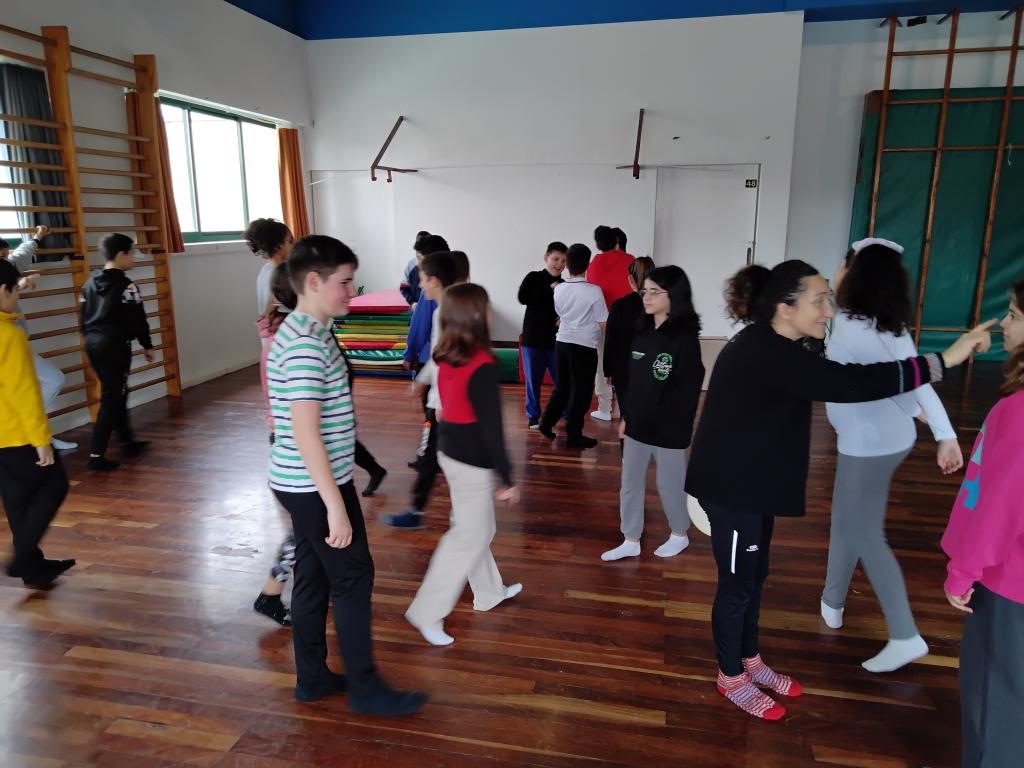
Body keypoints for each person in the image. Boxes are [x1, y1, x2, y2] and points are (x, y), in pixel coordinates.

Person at [685, 259, 993, 721]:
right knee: (737, 586)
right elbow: (849, 383)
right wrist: (942, 361)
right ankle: (730, 676)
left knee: (753, 577)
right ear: (786, 307)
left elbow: (850, 376)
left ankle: (749, 659)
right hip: (731, 489)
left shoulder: (780, 344)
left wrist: (922, 409)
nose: (829, 310)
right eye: (820, 300)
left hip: (753, 483)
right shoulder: (765, 352)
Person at [266, 234, 425, 715]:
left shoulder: (308, 331)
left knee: (313, 574)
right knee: (353, 576)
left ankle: (312, 677)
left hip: (304, 481)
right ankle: (367, 690)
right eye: (345, 282)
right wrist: (336, 506)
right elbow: (305, 432)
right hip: (314, 485)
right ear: (314, 282)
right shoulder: (304, 345)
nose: (352, 291)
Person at [821, 240, 961, 673]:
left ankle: (904, 634)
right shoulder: (887, 326)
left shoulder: (848, 324)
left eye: (844, 264)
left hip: (868, 445)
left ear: (855, 273)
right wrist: (938, 429)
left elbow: (907, 381)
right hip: (883, 439)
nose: (837, 270)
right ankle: (832, 600)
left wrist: (942, 431)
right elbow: (908, 381)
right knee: (846, 518)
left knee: (864, 532)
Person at [254, 263, 389, 626]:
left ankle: (275, 594)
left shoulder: (300, 334)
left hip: (319, 442)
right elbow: (299, 417)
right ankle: (272, 593)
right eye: (341, 283)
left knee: (306, 538)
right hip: (302, 451)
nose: (347, 291)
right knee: (311, 535)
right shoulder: (297, 342)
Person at [405, 283, 521, 646]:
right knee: (467, 536)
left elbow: (441, 407)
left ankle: (489, 592)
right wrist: (507, 478)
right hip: (470, 462)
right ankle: (427, 613)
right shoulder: (482, 365)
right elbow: (493, 431)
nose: (490, 313)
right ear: (475, 316)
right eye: (486, 307)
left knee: (476, 528)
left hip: (450, 453)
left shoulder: (444, 355)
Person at [941, 277, 1024, 768]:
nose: (1005, 323)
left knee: (994, 704)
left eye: (1014, 315)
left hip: (1008, 585)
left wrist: (962, 572)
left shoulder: (1019, 411)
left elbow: (1001, 508)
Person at [602, 266, 703, 562]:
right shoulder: (642, 331)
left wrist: (676, 425)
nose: (646, 297)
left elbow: (688, 389)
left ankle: (679, 534)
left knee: (669, 484)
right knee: (630, 482)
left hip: (669, 427)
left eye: (654, 291)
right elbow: (634, 382)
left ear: (673, 295)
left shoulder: (684, 339)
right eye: (645, 290)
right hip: (637, 423)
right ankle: (630, 538)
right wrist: (627, 416)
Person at [0, 257, 75, 589]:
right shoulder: (9, 336)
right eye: (14, 291)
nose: (17, 297)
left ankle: (32, 568)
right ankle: (21, 558)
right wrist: (41, 439)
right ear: (2, 291)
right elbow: (24, 393)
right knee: (54, 484)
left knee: (16, 497)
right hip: (17, 434)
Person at [385, 251, 462, 529]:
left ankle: (421, 511)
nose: (419, 284)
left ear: (435, 280)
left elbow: (453, 363)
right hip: (443, 400)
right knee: (433, 455)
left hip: (446, 403)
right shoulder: (445, 311)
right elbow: (440, 357)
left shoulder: (450, 314)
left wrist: (439, 402)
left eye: (422, 279)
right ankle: (419, 510)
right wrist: (423, 379)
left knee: (433, 454)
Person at [80, 233, 154, 472]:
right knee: (112, 396)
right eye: (131, 253)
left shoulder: (88, 283)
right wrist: (147, 344)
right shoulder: (128, 286)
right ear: (121, 254)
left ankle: (127, 442)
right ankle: (96, 454)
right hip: (114, 345)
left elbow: (83, 318)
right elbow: (138, 319)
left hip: (93, 343)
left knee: (118, 391)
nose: (134, 258)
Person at [1, 225, 76, 451]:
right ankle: (31, 432)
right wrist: (19, 285)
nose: (6, 260)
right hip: (8, 346)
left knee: (50, 380)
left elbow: (20, 256)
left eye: (5, 256)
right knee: (50, 380)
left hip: (14, 345)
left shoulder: (8, 267)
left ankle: (35, 432)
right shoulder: (9, 334)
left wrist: (37, 238)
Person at [538, 244, 607, 448]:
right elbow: (603, 322)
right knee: (582, 391)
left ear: (567, 264)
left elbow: (561, 314)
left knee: (562, 387)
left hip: (562, 342)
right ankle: (574, 434)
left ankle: (546, 422)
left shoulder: (559, 289)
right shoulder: (594, 291)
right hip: (584, 346)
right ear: (587, 265)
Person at [517, 242, 566, 429]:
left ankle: (565, 413)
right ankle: (533, 417)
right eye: (556, 259)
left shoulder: (565, 285)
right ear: (546, 258)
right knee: (533, 382)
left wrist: (564, 318)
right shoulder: (534, 277)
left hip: (557, 340)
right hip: (533, 339)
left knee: (562, 380)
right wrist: (549, 288)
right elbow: (522, 298)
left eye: (563, 261)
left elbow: (569, 309)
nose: (559, 264)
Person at [587, 225, 634, 421]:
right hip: (628, 321)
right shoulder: (631, 260)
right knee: (628, 363)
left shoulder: (594, 263)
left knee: (601, 364)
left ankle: (604, 408)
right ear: (618, 242)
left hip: (602, 322)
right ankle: (625, 407)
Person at [603, 256, 655, 406]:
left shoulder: (619, 306)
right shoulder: (661, 306)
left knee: (627, 413)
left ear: (630, 279)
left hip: (623, 369)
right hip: (652, 369)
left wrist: (608, 370)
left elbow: (610, 340)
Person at [245, 218, 294, 321]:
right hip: (280, 328)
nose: (293, 245)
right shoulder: (281, 276)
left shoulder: (264, 271)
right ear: (277, 246)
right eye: (290, 241)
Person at [400, 230, 431, 306]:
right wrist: (412, 302)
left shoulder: (435, 264)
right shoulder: (411, 265)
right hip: (417, 305)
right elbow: (403, 287)